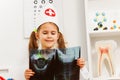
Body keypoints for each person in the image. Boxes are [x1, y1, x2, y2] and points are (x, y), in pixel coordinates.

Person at [24, 3, 85, 80]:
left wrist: (81, 67)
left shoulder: (67, 57)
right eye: (45, 33)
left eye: (53, 33)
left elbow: (85, 77)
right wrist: (27, 77)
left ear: (57, 36)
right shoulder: (34, 59)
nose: (49, 36)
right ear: (37, 35)